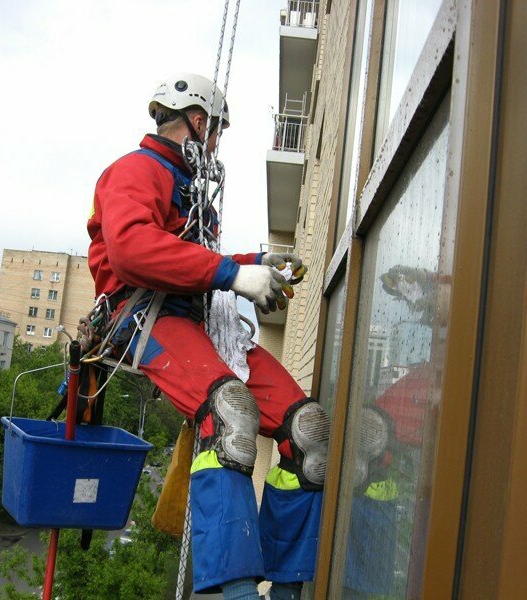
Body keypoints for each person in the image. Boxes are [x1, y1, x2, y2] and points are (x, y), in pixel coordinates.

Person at [86, 73, 331, 599]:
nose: (215, 144)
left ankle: (286, 587)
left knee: (309, 434)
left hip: (198, 320)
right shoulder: (137, 170)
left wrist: (257, 264)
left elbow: (195, 258)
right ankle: (235, 593)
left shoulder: (183, 186)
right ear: (198, 123)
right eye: (216, 133)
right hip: (146, 315)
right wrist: (233, 275)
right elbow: (131, 249)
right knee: (231, 415)